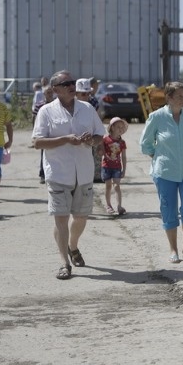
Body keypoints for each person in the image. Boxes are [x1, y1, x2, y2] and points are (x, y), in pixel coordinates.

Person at [32, 70, 106, 280]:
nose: (71, 86)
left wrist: (91, 140)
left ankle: (73, 246)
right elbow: (37, 142)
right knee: (61, 218)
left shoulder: (87, 108)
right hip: (58, 172)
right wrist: (66, 139)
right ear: (55, 89)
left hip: (83, 173)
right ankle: (64, 263)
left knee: (81, 217)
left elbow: (100, 135)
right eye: (66, 84)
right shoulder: (46, 112)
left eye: (72, 82)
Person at [139, 81, 183, 264]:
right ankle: (173, 249)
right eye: (180, 96)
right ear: (169, 97)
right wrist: (158, 156)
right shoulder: (157, 117)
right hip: (165, 170)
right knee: (169, 209)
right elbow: (145, 144)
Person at [101, 116, 128, 216]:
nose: (120, 129)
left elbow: (124, 157)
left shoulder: (122, 142)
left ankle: (119, 206)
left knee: (116, 186)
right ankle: (108, 205)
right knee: (108, 186)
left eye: (122, 127)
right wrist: (104, 155)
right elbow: (101, 149)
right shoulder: (105, 139)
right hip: (106, 166)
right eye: (118, 127)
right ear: (112, 127)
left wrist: (124, 170)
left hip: (117, 167)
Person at [33, 84, 55, 184]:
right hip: (43, 132)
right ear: (44, 94)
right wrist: (35, 133)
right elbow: (34, 119)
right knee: (43, 153)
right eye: (48, 92)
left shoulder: (56, 105)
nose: (50, 94)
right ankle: (42, 174)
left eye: (51, 92)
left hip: (54, 131)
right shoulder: (39, 105)